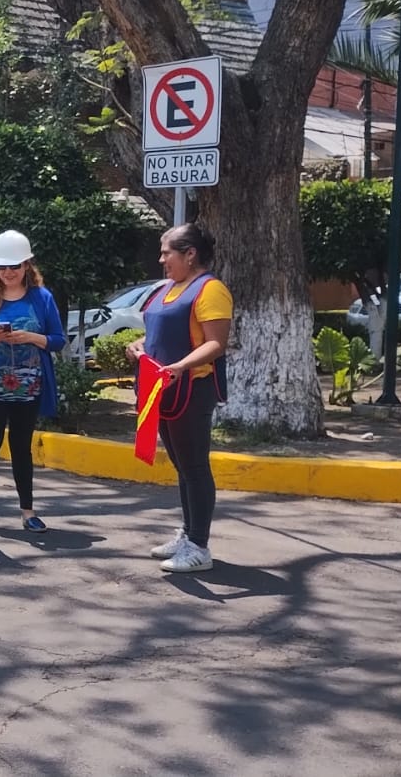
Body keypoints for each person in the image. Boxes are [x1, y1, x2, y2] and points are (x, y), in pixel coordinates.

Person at [128, 223, 233, 574]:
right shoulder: (168, 288)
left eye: (167, 253)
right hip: (163, 389)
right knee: (182, 466)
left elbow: (216, 343)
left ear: (190, 254)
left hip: (192, 390)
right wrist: (139, 347)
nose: (161, 260)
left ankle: (199, 547)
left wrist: (180, 366)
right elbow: (157, 335)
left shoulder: (211, 290)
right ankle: (188, 534)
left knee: (195, 467)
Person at [0, 231, 67, 535]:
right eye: (2, 267)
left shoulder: (42, 298)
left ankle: (28, 511)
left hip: (28, 384)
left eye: (14, 266)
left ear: (26, 265)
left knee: (22, 448)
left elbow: (57, 340)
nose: (8, 272)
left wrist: (31, 337)